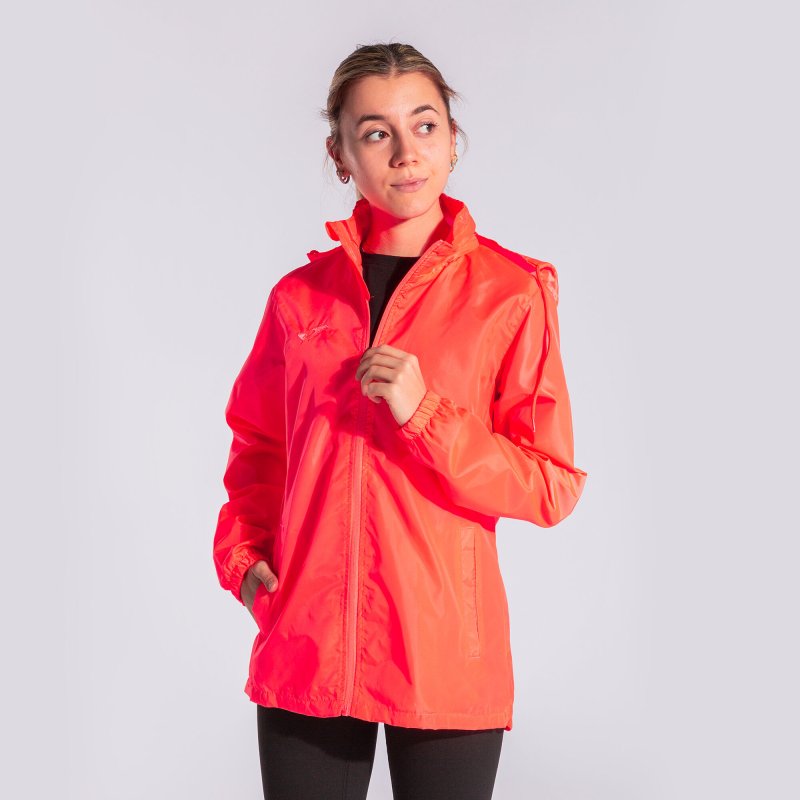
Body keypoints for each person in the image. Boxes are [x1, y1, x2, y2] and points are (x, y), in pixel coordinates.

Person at [212, 42, 588, 800]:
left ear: (453, 141)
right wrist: (246, 566)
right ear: (340, 155)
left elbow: (550, 485)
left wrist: (428, 416)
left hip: (444, 649)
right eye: (376, 132)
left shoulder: (510, 294)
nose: (407, 152)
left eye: (425, 125)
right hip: (307, 642)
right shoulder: (299, 300)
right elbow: (259, 447)